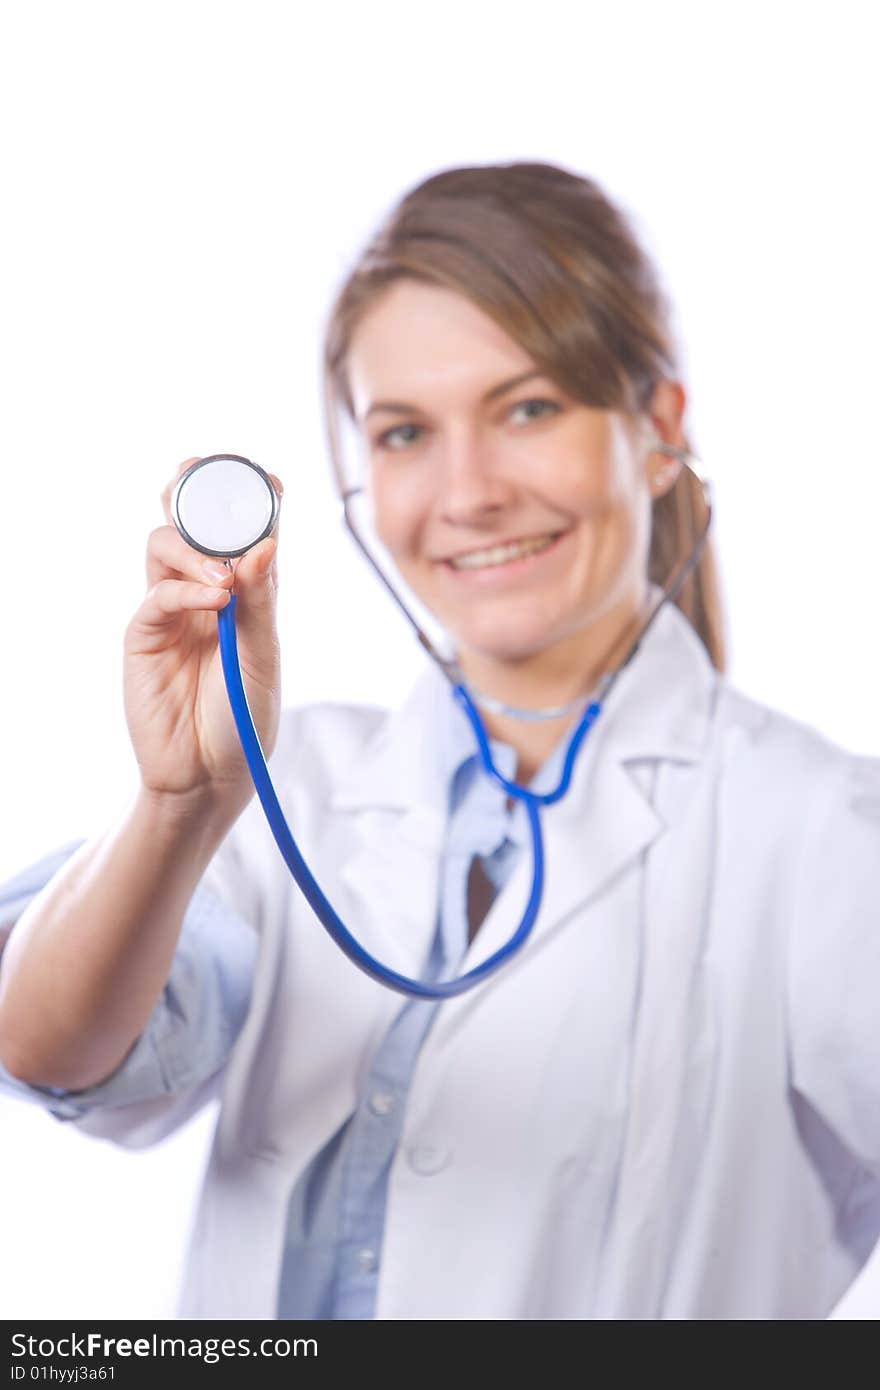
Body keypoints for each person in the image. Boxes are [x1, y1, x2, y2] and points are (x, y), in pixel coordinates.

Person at [1, 160, 878, 1321]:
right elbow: (50, 1046)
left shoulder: (815, 834)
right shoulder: (296, 782)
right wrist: (179, 807)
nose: (467, 491)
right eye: (406, 431)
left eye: (528, 408)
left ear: (658, 432)